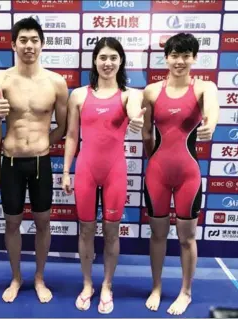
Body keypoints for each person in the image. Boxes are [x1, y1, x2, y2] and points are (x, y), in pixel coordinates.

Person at [0, 17, 69, 304]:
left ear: (42, 44)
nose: (29, 45)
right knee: (12, 223)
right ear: (13, 44)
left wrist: (45, 143)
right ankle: (17, 277)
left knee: (43, 222)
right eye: (23, 40)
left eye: (34, 40)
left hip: (40, 163)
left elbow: (64, 127)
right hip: (10, 163)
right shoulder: (1, 79)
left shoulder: (56, 82)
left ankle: (40, 277)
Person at [62, 37, 145, 314]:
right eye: (102, 57)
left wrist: (136, 119)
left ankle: (107, 285)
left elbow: (135, 112)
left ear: (120, 61)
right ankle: (87, 284)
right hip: (85, 169)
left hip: (115, 172)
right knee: (85, 230)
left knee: (111, 232)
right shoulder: (79, 96)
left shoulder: (129, 95)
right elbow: (72, 136)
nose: (107, 63)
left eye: (113, 58)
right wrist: (65, 171)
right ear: (95, 61)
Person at [141, 33, 219, 316]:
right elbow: (147, 133)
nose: (180, 61)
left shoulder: (204, 88)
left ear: (194, 58)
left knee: (187, 237)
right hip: (158, 173)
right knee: (157, 235)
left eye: (186, 55)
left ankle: (185, 291)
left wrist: (210, 124)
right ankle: (157, 287)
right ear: (167, 58)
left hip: (188, 173)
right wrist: (154, 159)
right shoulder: (151, 92)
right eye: (175, 55)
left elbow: (212, 110)